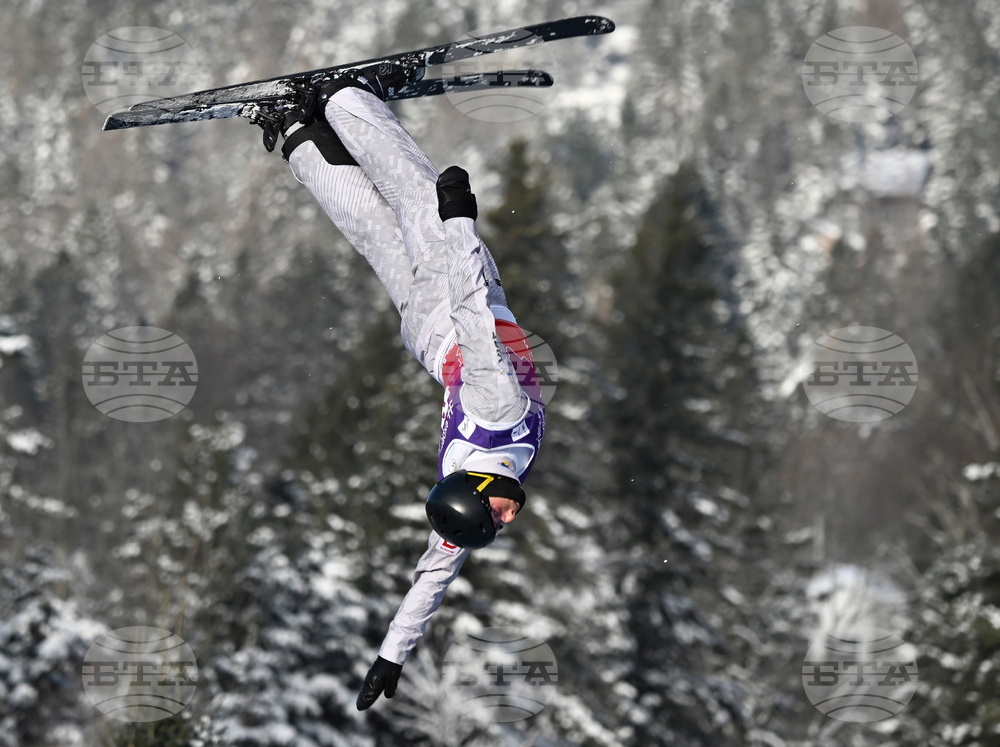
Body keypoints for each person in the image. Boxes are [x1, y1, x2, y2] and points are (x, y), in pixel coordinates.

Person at [263, 64, 547, 710]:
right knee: (372, 230)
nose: (507, 516)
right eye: (499, 521)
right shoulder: (463, 493)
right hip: (424, 334)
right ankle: (297, 136)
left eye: (496, 514)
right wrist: (391, 655)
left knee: (416, 198)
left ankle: (344, 97)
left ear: (477, 488)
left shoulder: (499, 411)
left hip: (453, 307)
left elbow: (476, 314)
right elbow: (433, 577)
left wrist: (458, 224)